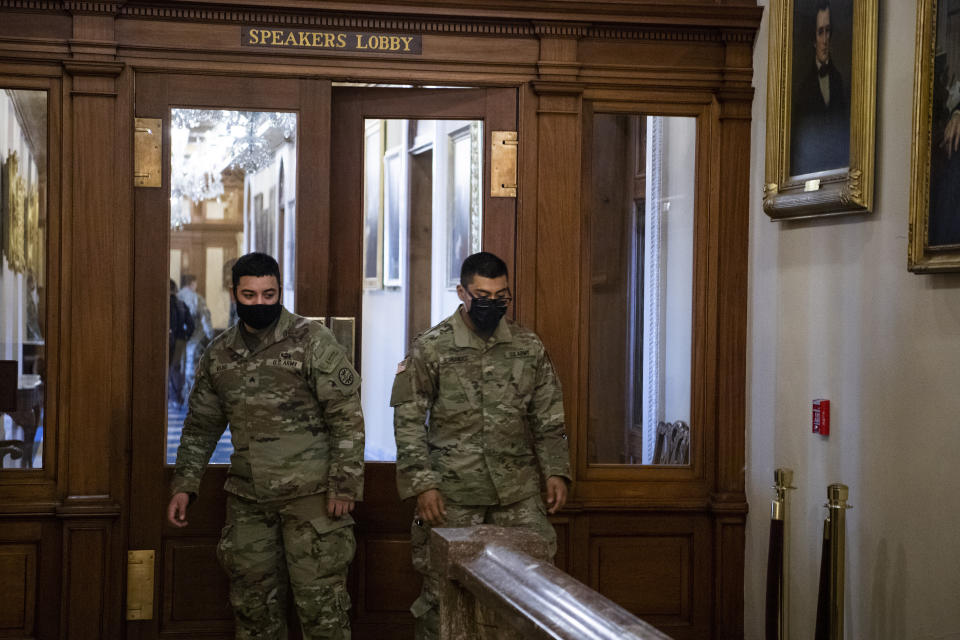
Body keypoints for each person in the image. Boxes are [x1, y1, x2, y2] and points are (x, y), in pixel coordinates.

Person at [166, 252, 364, 640]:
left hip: (313, 500)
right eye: (251, 295)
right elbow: (200, 427)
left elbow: (346, 415)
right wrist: (184, 485)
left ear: (279, 291)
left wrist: (345, 483)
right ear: (235, 294)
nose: (260, 303)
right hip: (248, 502)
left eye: (268, 294)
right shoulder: (219, 354)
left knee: (323, 613)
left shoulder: (312, 341)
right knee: (253, 611)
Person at [391, 251, 572, 639]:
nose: (493, 304)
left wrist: (557, 471)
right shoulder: (432, 347)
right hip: (451, 496)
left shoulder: (528, 347)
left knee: (530, 595)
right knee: (442, 598)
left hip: (517, 494)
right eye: (483, 295)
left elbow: (548, 416)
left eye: (501, 296)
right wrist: (423, 484)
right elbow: (408, 422)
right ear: (462, 293)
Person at [790, 0, 850, 176]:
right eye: (820, 32)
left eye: (828, 31)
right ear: (813, 40)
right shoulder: (803, 87)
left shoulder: (838, 80)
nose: (825, 40)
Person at [177, 274, 215, 405]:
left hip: (178, 338)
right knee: (191, 366)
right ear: (193, 283)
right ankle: (190, 396)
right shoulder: (197, 298)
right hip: (194, 337)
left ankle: (177, 397)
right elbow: (205, 317)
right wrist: (210, 335)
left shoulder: (177, 296)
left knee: (178, 366)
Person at [168, 279, 194, 405]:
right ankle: (177, 398)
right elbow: (191, 325)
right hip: (179, 341)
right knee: (177, 369)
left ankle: (166, 398)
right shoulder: (181, 304)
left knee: (164, 369)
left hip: (165, 341)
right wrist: (185, 337)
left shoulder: (162, 304)